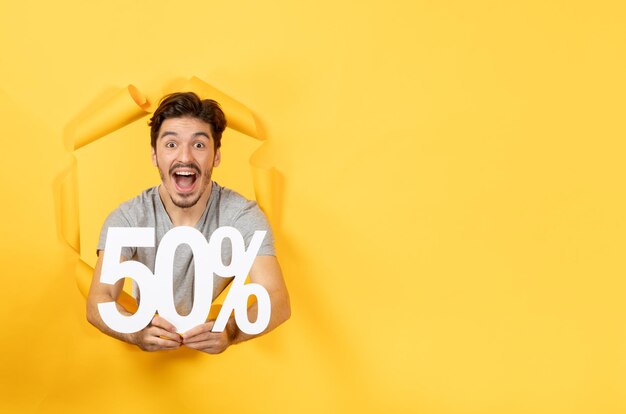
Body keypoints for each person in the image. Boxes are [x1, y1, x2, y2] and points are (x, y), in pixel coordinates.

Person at [86, 92, 290, 353]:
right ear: (154, 155)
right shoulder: (127, 219)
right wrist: (135, 332)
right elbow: (97, 301)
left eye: (199, 145)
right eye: (171, 144)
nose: (185, 157)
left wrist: (230, 331)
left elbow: (277, 299)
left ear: (216, 156)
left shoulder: (243, 216)